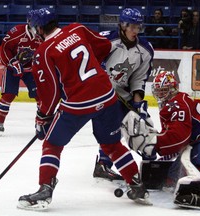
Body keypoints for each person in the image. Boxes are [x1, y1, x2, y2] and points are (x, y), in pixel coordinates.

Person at [17, 8, 151, 210]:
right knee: (112, 145)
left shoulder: (43, 53)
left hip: (79, 103)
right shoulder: (77, 28)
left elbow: (50, 94)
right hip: (107, 96)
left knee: (52, 144)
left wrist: (42, 118)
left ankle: (45, 189)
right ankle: (136, 184)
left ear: (39, 28)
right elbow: (104, 46)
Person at [121, 70, 200, 210]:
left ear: (173, 88)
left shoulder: (176, 104)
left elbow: (179, 138)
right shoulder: (175, 103)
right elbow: (176, 143)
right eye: (158, 91)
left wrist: (155, 144)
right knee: (173, 176)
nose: (160, 95)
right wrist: (155, 156)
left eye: (164, 90)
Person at [93, 8, 154, 182]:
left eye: (138, 27)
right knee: (110, 128)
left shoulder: (145, 50)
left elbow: (139, 78)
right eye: (132, 27)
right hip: (100, 93)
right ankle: (103, 164)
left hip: (122, 95)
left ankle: (151, 164)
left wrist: (138, 103)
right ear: (123, 25)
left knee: (143, 125)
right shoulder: (105, 39)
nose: (136, 31)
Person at [0, 10, 43, 136]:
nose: (40, 26)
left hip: (31, 69)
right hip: (13, 68)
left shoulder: (43, 35)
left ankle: (40, 124)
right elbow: (4, 48)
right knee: (8, 95)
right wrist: (11, 62)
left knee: (40, 96)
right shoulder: (17, 32)